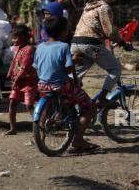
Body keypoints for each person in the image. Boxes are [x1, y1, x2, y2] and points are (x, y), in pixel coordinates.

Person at [33, 16, 98, 153]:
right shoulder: (63, 47)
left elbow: (36, 67)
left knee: (60, 102)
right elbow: (68, 69)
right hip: (61, 86)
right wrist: (74, 60)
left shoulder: (39, 47)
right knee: (89, 106)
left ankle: (42, 134)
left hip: (43, 85)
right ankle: (78, 139)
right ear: (63, 32)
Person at [70, 0, 133, 108]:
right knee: (115, 68)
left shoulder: (89, 6)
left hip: (76, 43)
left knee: (75, 78)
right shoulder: (104, 7)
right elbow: (109, 31)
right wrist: (122, 42)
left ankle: (68, 103)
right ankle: (103, 98)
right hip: (91, 43)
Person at [5, 24, 37, 135]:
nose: (13, 40)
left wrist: (16, 81)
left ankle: (38, 128)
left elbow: (24, 68)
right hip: (18, 82)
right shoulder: (19, 48)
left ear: (24, 37)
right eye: (13, 37)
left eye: (15, 38)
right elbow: (14, 62)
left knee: (29, 105)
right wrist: (9, 73)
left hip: (28, 82)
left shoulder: (29, 49)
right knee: (12, 103)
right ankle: (13, 128)